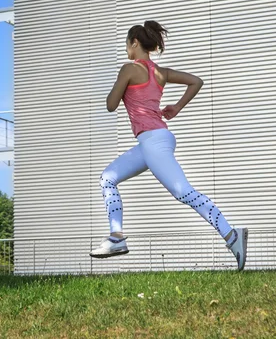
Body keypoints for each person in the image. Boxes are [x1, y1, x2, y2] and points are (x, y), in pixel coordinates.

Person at [89, 20, 248, 271]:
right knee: (108, 178)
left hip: (154, 141)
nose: (126, 50)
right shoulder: (160, 72)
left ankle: (232, 236)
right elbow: (196, 81)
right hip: (151, 141)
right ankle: (116, 237)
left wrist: (120, 85)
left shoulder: (129, 68)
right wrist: (177, 107)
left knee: (183, 192)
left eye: (127, 45)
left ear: (135, 43)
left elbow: (111, 104)